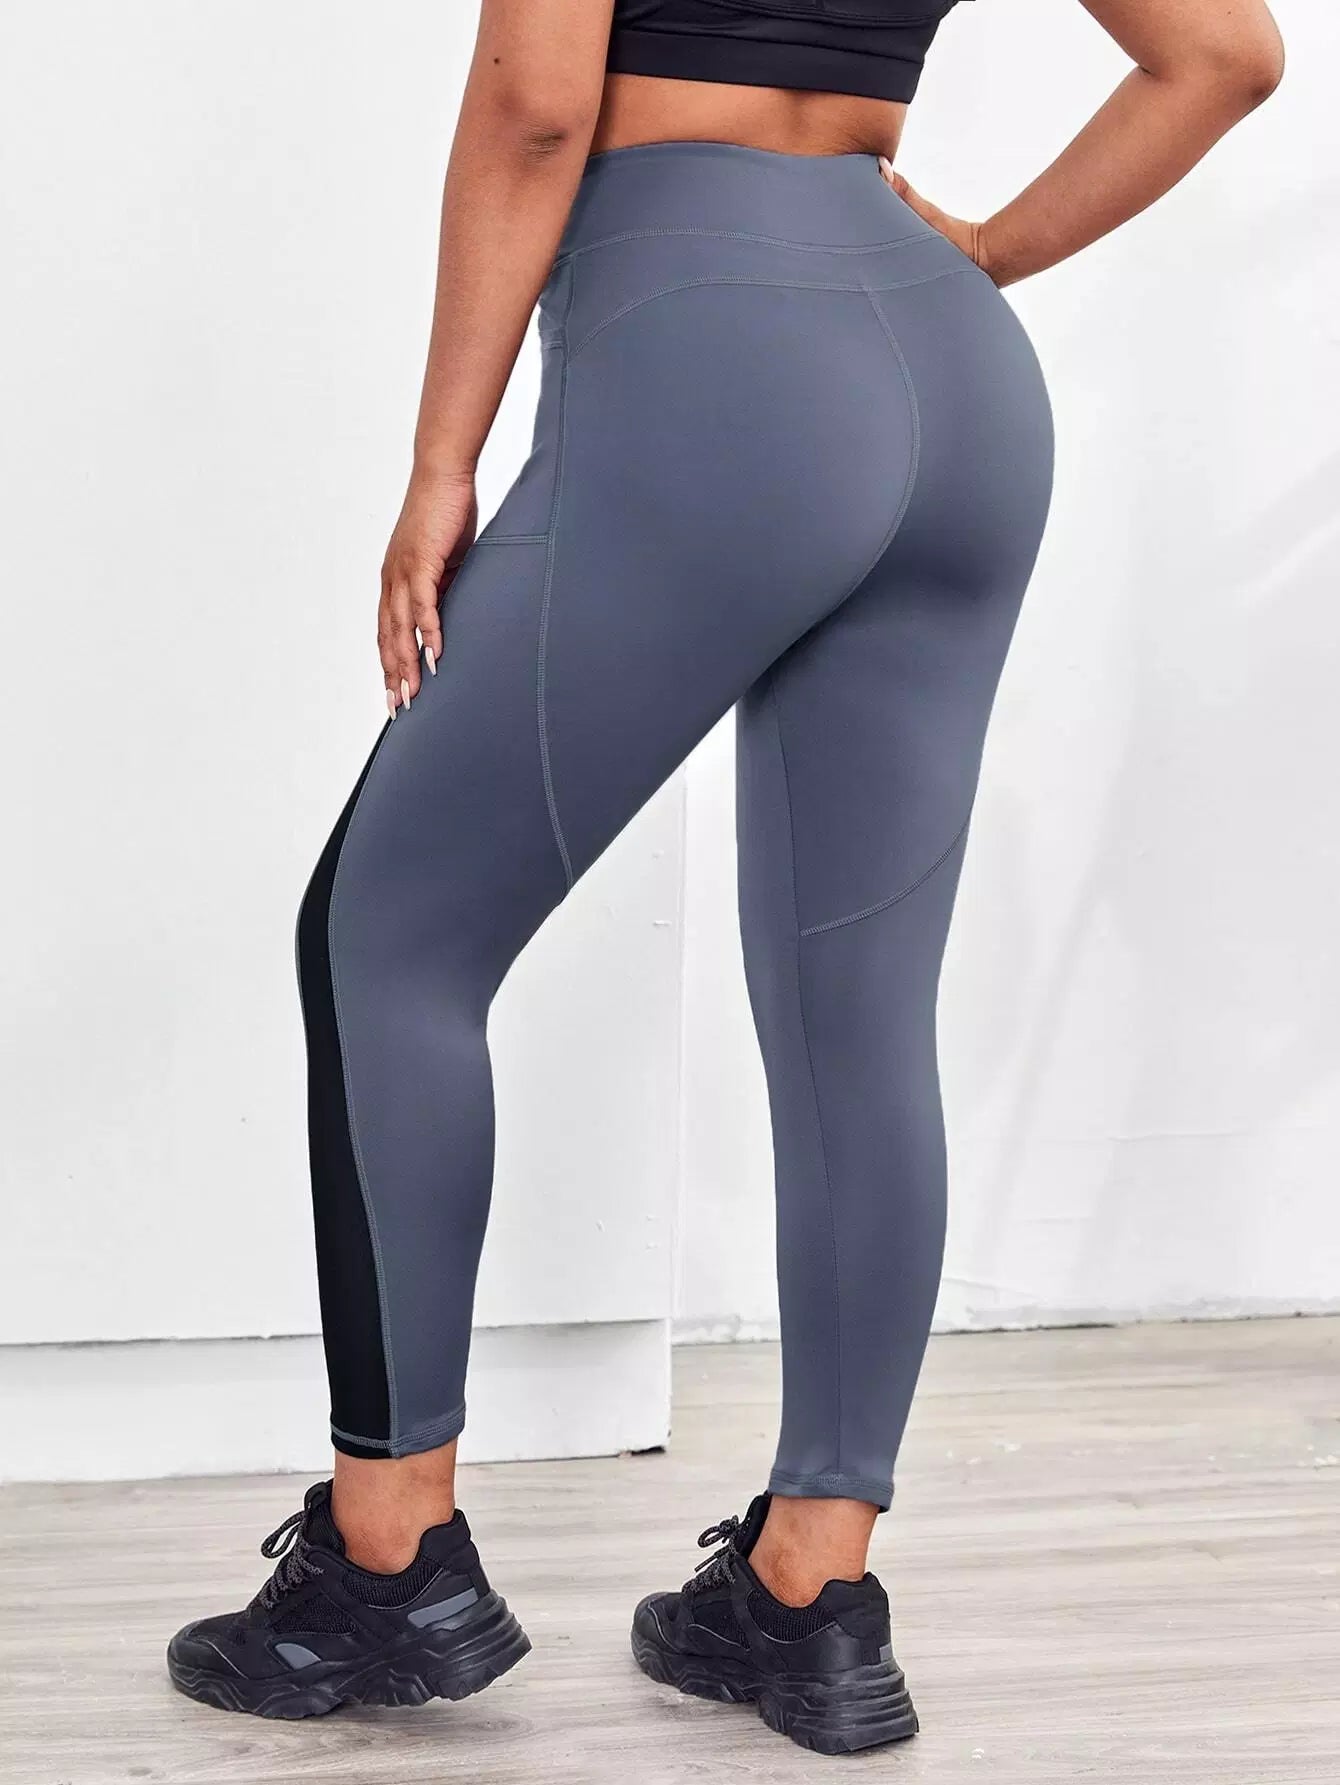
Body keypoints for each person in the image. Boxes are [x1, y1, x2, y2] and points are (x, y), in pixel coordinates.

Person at [166, 0, 1283, 1753]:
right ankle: (808, 1594)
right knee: (859, 1012)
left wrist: (443, 462)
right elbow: (1225, 52)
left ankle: (387, 1561)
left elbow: (540, 107)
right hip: (958, 384)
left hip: (716, 357)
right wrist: (983, 255)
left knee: (389, 934)